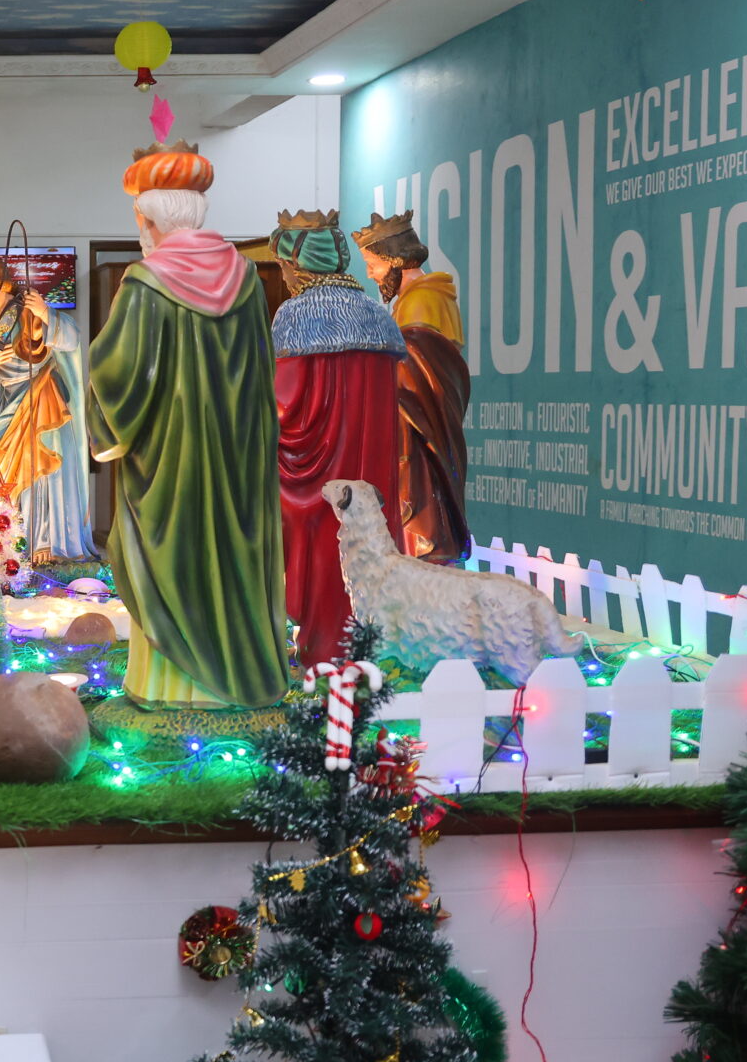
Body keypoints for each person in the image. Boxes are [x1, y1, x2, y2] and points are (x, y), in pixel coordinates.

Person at [85, 144, 286, 714]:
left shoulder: (146, 282)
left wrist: (94, 384)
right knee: (234, 564)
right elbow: (263, 371)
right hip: (240, 461)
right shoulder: (247, 279)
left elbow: (119, 374)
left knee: (171, 561)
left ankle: (169, 689)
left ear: (149, 221)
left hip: (171, 467)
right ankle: (238, 683)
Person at [270, 208, 407, 666]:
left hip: (320, 477)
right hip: (372, 469)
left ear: (297, 265)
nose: (284, 276)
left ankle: (323, 652)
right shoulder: (377, 314)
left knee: (325, 557)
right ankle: (370, 653)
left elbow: (284, 404)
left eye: (282, 265)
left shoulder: (294, 316)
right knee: (369, 551)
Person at [356, 209, 471, 565]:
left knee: (424, 508)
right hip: (414, 428)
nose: (371, 274)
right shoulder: (412, 300)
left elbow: (417, 377)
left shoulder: (423, 302)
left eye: (373, 265)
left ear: (393, 260)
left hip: (420, 433)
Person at [0, 257, 93, 561]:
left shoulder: (28, 311)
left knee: (39, 470)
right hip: (10, 405)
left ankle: (43, 542)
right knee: (2, 471)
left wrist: (45, 313)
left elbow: (71, 338)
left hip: (41, 400)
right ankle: (9, 543)